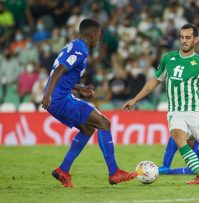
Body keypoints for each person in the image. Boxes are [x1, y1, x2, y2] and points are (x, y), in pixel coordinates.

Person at [122, 23, 199, 184]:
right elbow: (154, 82)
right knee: (180, 140)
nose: (184, 41)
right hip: (175, 111)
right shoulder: (168, 58)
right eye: (182, 37)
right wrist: (135, 99)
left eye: (188, 37)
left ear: (196, 40)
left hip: (195, 111)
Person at [41, 19, 137, 188]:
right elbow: (59, 70)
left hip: (60, 97)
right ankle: (114, 173)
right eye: (98, 35)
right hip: (59, 99)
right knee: (104, 123)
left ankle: (63, 170)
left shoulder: (74, 45)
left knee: (88, 128)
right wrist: (48, 94)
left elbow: (63, 73)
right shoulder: (80, 49)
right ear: (92, 34)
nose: (99, 39)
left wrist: (79, 88)